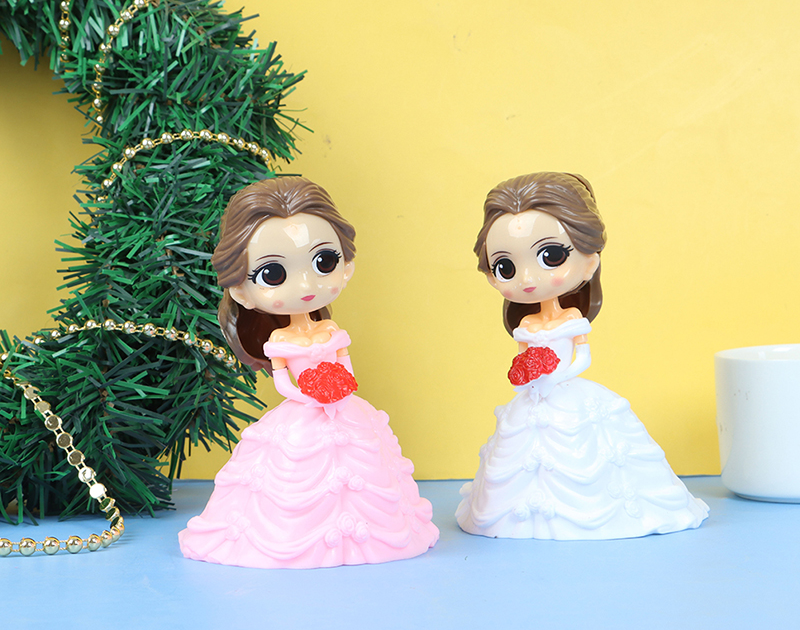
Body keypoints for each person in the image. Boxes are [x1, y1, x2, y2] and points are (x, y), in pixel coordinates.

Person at [179, 177, 438, 567]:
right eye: (273, 274)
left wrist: (341, 386)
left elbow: (344, 363)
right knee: (294, 477)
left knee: (366, 468)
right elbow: (283, 380)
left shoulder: (329, 329)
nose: (305, 285)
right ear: (241, 291)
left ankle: (375, 537)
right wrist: (307, 396)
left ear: (346, 267)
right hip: (303, 410)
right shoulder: (280, 339)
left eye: (324, 262)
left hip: (344, 403)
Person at [456, 172, 708, 540]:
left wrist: (556, 377)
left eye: (550, 256)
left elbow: (582, 358)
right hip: (532, 397)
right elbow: (522, 361)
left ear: (589, 261)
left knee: (582, 456)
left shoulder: (572, 318)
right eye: (505, 267)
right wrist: (527, 378)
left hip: (566, 392)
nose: (527, 279)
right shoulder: (526, 322)